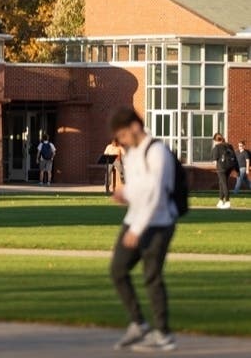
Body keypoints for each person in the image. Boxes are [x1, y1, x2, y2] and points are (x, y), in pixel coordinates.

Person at [108, 107, 178, 353]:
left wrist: (137, 230)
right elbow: (138, 188)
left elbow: (156, 194)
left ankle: (163, 334)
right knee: (118, 269)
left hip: (159, 223)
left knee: (152, 276)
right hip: (134, 218)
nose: (122, 142)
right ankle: (139, 323)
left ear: (135, 127)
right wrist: (124, 194)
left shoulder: (157, 152)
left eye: (123, 135)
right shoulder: (131, 154)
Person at [211, 133, 236, 209]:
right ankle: (221, 201)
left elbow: (214, 161)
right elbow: (234, 156)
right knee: (221, 182)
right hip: (230, 167)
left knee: (224, 184)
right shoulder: (229, 145)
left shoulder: (217, 147)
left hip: (221, 167)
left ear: (216, 140)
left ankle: (227, 201)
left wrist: (216, 166)